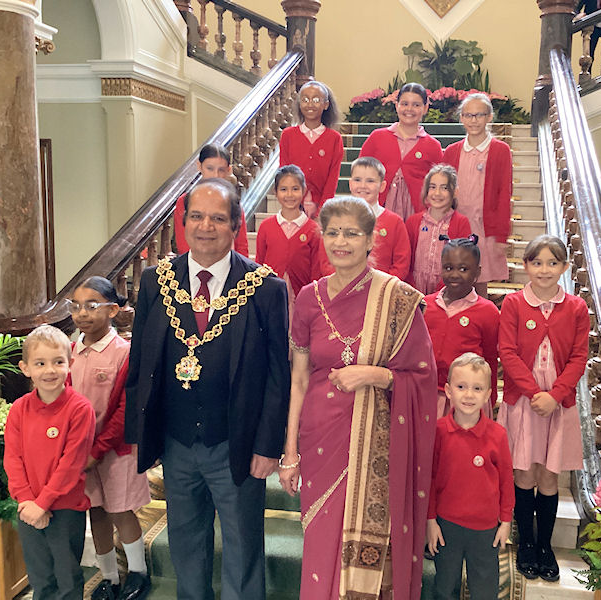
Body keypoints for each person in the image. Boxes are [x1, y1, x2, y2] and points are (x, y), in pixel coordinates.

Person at [124, 178, 291, 600]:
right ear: (183, 223)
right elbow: (141, 363)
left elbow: (278, 375)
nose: (205, 227)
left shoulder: (265, 288)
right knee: (185, 540)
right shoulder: (154, 282)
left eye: (218, 218)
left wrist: (269, 445)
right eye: (196, 216)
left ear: (237, 224)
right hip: (177, 442)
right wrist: (141, 435)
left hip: (236, 442)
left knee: (242, 543)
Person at [278, 196, 437, 600]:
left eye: (351, 233)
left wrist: (377, 375)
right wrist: (290, 451)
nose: (341, 242)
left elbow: (422, 378)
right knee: (320, 542)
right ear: (322, 238)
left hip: (376, 443)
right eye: (332, 232)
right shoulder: (309, 299)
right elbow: (297, 380)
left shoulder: (396, 299)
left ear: (371, 240)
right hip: (319, 437)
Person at [496, 235, 589, 582]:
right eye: (537, 262)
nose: (545, 270)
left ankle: (546, 545)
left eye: (553, 263)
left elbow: (580, 357)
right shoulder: (514, 304)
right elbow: (507, 352)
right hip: (524, 401)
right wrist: (535, 393)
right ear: (526, 266)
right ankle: (527, 544)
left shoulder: (577, 308)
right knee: (524, 472)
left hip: (558, 404)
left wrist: (556, 394)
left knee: (549, 476)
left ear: (564, 267)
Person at [69, 277, 151, 600]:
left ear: (113, 310)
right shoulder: (71, 352)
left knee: (120, 511)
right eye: (75, 306)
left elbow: (123, 411)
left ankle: (138, 573)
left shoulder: (124, 353)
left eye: (92, 306)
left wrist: (98, 449)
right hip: (81, 452)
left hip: (116, 451)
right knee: (96, 511)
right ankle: (109, 577)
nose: (82, 314)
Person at [4, 325, 96, 600]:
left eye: (58, 362)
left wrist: (43, 503)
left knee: (67, 578)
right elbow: (13, 458)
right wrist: (26, 501)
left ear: (70, 363)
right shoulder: (19, 408)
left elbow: (72, 464)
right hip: (28, 508)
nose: (50, 370)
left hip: (65, 508)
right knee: (40, 578)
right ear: (25, 368)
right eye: (40, 363)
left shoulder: (80, 409)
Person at [427, 353, 514, 600]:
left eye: (477, 388)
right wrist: (430, 521)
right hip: (446, 526)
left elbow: (507, 481)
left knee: (484, 589)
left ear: (488, 394)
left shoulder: (497, 435)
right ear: (448, 390)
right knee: (444, 587)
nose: (468, 395)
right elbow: (430, 481)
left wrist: (505, 521)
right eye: (461, 387)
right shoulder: (438, 431)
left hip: (485, 529)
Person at [443, 93, 512, 296]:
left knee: (479, 279)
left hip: (484, 226)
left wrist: (501, 234)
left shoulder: (501, 150)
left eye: (479, 115)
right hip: (457, 225)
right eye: (468, 115)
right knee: (455, 278)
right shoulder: (451, 152)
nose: (474, 120)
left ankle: (479, 319)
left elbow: (503, 193)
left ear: (489, 117)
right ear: (461, 118)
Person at [423, 237, 500, 418]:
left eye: (464, 269)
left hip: (466, 400)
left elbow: (490, 358)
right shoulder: (425, 305)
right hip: (427, 395)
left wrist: (490, 396)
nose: (455, 274)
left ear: (477, 272)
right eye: (448, 268)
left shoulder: (488, 311)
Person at [359, 83, 444, 221]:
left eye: (416, 105)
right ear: (396, 105)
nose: (409, 109)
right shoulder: (377, 137)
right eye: (404, 103)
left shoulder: (433, 146)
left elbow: (441, 181)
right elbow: (360, 171)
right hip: (378, 208)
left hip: (417, 212)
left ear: (425, 108)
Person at [255, 165, 323, 317]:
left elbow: (316, 269)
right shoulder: (266, 227)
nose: (289, 194)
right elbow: (259, 262)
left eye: (295, 189)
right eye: (284, 189)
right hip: (270, 297)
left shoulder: (313, 229)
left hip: (301, 297)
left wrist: (313, 298)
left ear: (304, 190)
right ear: (276, 192)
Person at [279, 80, 344, 216]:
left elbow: (333, 178)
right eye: (305, 99)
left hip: (321, 208)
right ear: (299, 104)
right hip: (293, 205)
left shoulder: (334, 139)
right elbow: (284, 172)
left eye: (315, 100)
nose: (310, 104)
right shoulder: (288, 135)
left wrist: (323, 210)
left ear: (325, 104)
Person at [405, 164, 471, 294]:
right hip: (414, 289)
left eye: (444, 188)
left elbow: (463, 260)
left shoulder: (461, 223)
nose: (437, 193)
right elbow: (407, 259)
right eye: (433, 187)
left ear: (455, 192)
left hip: (447, 290)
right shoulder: (413, 222)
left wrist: (443, 290)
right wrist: (411, 288)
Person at [174, 144, 249, 256]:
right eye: (210, 168)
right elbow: (183, 243)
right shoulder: (185, 201)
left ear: (229, 170)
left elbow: (242, 245)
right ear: (199, 166)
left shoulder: (233, 202)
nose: (215, 175)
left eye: (221, 170)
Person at [347, 156, 411, 279]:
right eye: (357, 180)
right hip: (344, 290)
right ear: (350, 184)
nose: (363, 186)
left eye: (370, 181)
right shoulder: (338, 219)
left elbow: (401, 264)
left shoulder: (395, 222)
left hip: (383, 290)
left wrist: (383, 287)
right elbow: (327, 261)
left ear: (382, 186)